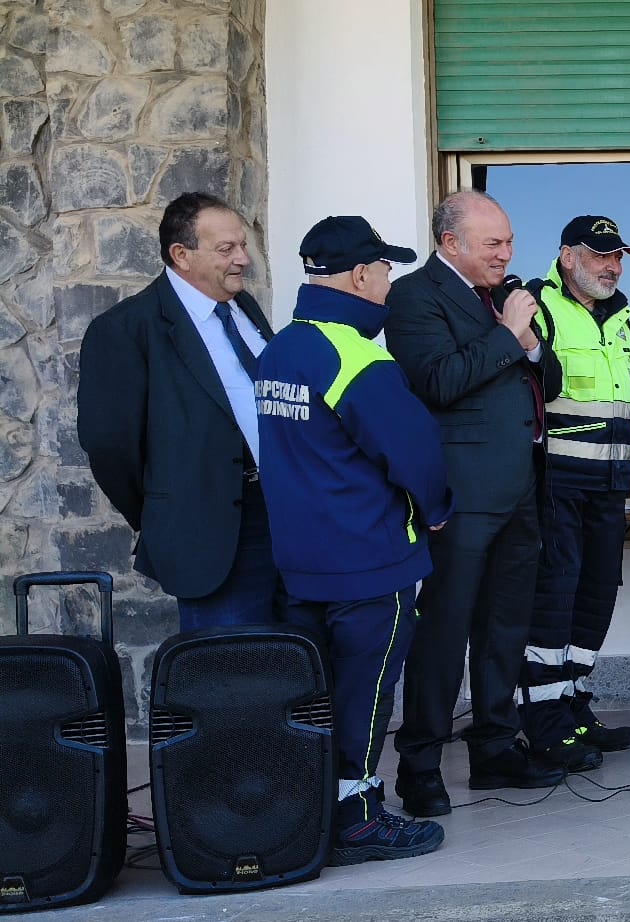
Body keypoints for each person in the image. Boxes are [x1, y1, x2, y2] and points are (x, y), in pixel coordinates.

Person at [256, 216, 451, 864]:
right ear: (362, 274)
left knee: (309, 696)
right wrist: (439, 510)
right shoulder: (358, 355)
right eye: (386, 269)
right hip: (369, 563)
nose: (390, 281)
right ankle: (358, 816)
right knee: (364, 696)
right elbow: (416, 455)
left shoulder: (280, 348)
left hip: (299, 563)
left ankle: (308, 810)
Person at [388, 190, 566, 816]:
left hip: (519, 490)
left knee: (505, 625)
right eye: (493, 243)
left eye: (509, 242)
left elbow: (551, 378)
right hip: (460, 494)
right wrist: (511, 335)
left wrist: (532, 345)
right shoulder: (414, 296)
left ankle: (494, 747)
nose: (506, 253)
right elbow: (437, 380)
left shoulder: (504, 299)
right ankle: (420, 765)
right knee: (444, 629)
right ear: (450, 243)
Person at [78, 192, 283, 631]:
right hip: (213, 531)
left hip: (285, 513)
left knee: (297, 663)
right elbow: (110, 447)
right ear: (181, 255)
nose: (243, 259)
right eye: (226, 249)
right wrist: (165, 509)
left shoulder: (244, 307)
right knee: (232, 674)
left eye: (242, 245)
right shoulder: (126, 329)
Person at [513, 216, 630, 768]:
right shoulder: (536, 304)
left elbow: (623, 403)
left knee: (597, 594)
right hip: (556, 480)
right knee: (553, 599)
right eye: (600, 255)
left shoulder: (621, 315)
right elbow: (536, 386)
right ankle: (545, 724)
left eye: (617, 256)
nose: (611, 265)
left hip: (610, 484)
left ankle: (574, 709)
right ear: (567, 256)